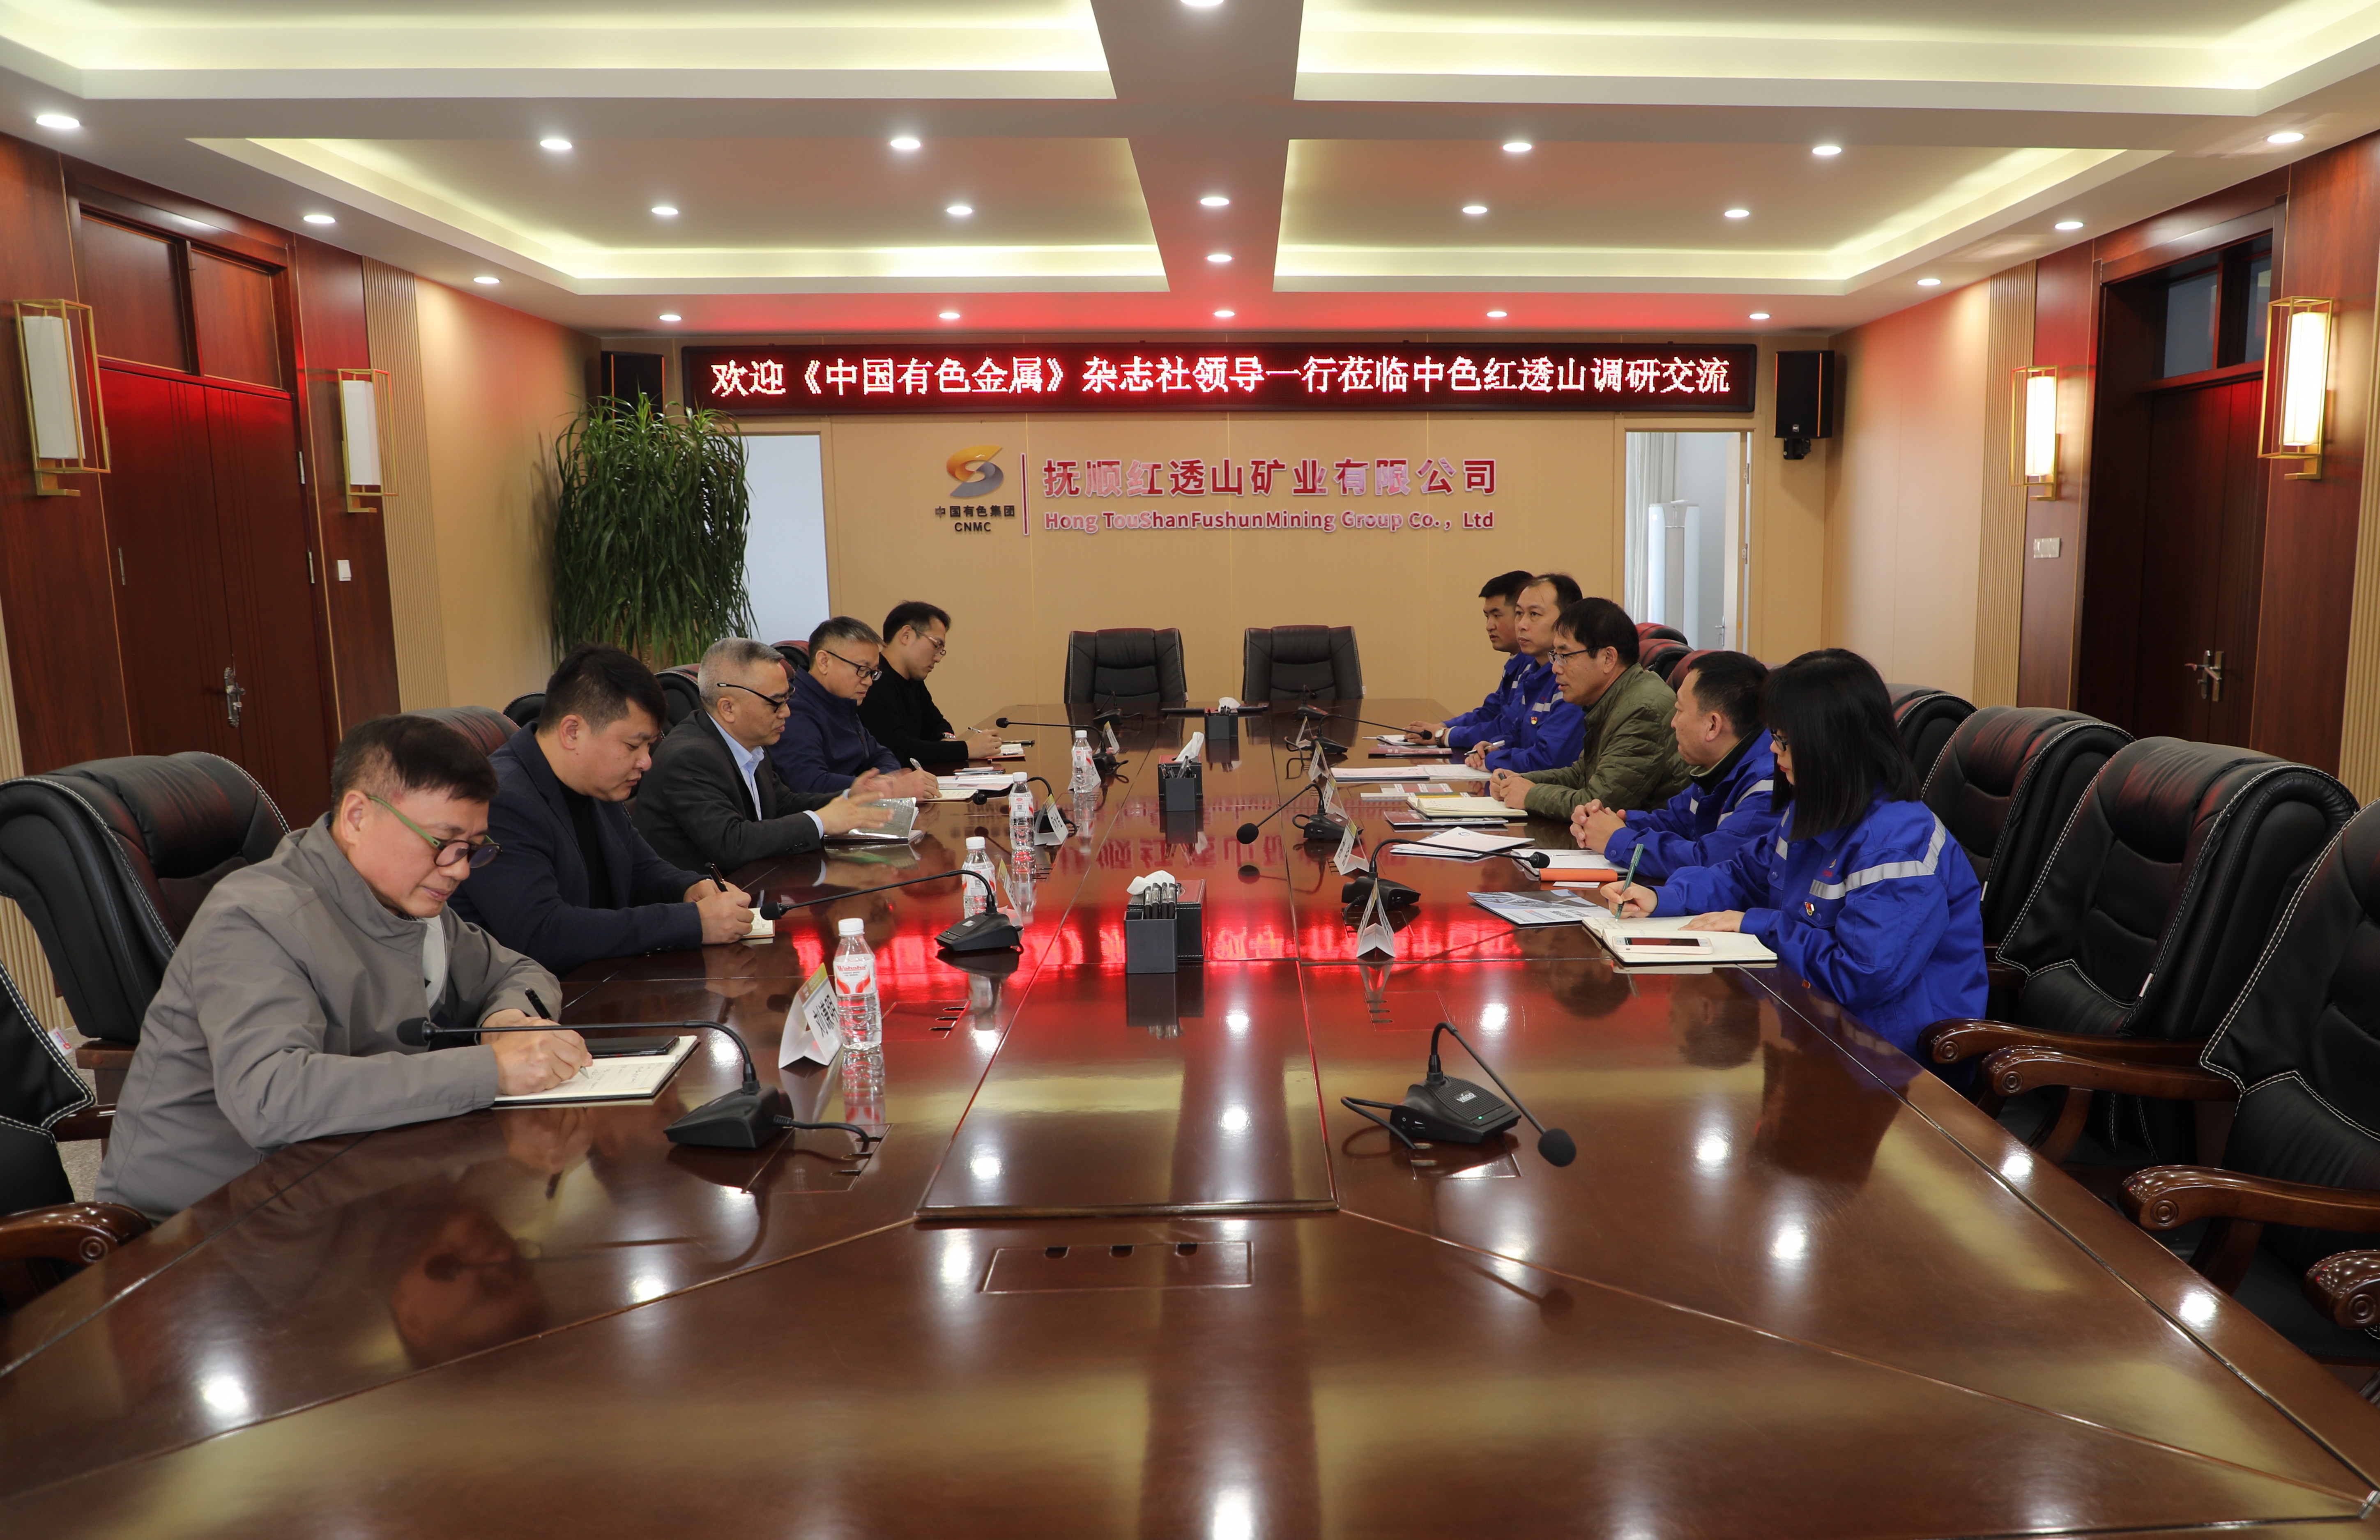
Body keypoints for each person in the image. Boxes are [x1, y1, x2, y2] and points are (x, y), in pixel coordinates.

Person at [96, 715, 589, 1221]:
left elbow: (519, 973)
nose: (460, 869)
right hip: (204, 1225)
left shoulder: (408, 899)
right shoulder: (254, 917)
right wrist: (490, 1071)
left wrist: (505, 1021)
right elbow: (272, 1097)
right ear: (357, 817)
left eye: (473, 849)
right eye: (442, 844)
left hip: (339, 1185)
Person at [1597, 648, 1986, 1059]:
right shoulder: (1813, 807)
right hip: (1813, 1024)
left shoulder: (1898, 843)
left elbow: (1862, 976)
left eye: (1784, 740)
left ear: (1828, 744)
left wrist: (1760, 925)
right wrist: (1662, 898)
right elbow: (1745, 875)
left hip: (1891, 1058)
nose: (1772, 750)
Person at [451, 644, 756, 976]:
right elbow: (543, 933)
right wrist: (692, 923)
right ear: (573, 732)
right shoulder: (501, 800)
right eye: (633, 746)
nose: (646, 762)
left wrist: (690, 888)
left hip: (603, 979)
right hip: (537, 996)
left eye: (649, 746)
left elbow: (639, 869)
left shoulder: (594, 781)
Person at [632, 637, 899, 873]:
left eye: (788, 699)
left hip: (754, 882)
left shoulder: (750, 741)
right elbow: (732, 842)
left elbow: (781, 805)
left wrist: (849, 798)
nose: (787, 713)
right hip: (699, 901)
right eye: (776, 703)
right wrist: (822, 821)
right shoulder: (689, 758)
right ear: (728, 708)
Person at [1572, 649, 1777, 880]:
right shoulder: (1719, 764)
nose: (1673, 723)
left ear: (1713, 726)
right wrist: (1611, 822)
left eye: (1679, 710)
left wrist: (1619, 839)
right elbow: (1677, 822)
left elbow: (1710, 863)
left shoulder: (1769, 786)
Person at [1489, 596, 1688, 818]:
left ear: (1608, 658)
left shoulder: (1642, 711)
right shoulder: (1615, 697)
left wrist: (1529, 795)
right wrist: (1520, 781)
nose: (1555, 668)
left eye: (1565, 656)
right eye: (1555, 656)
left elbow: (1599, 805)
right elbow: (1581, 775)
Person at [771, 616, 941, 798]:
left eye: (873, 672)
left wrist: (886, 781)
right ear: (824, 662)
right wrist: (885, 787)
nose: (869, 681)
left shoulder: (842, 701)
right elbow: (810, 783)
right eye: (862, 670)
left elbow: (882, 755)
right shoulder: (793, 711)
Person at [1465, 572, 1586, 773]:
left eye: (1534, 615)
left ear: (1567, 620)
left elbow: (1550, 760)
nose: (1521, 625)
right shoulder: (1532, 672)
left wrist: (1493, 760)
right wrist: (1494, 747)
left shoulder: (1574, 677)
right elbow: (1518, 735)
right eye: (1519, 614)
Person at [860, 601, 1001, 769]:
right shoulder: (875, 681)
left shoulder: (913, 679)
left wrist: (947, 741)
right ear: (906, 635)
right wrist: (966, 749)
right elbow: (897, 749)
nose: (938, 657)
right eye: (936, 646)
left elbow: (937, 725)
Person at [1405, 570, 1535, 749]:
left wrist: (1445, 735)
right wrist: (1442, 728)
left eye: (1497, 616)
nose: (1489, 626)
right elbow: (1490, 712)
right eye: (1487, 617)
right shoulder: (1517, 661)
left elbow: (1507, 727)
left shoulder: (1534, 664)